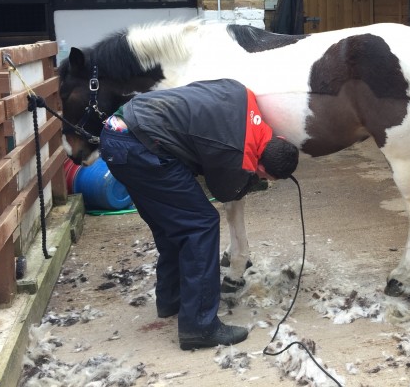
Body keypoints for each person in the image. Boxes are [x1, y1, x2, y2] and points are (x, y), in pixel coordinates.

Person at [99, 78, 300, 350]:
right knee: (201, 224)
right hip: (141, 147)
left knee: (173, 222)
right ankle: (200, 328)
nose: (259, 176)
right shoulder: (237, 154)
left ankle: (172, 300)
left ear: (280, 138)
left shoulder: (247, 98)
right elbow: (224, 190)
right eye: (263, 175)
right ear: (263, 167)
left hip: (119, 131)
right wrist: (249, 177)